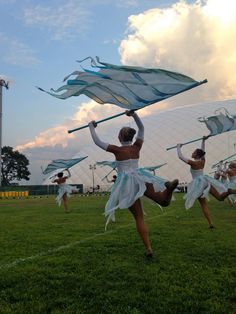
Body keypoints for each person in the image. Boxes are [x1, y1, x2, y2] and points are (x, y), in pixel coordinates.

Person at [88, 110, 178, 258]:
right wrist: (134, 115)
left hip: (127, 183)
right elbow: (142, 129)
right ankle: (168, 189)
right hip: (141, 177)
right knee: (163, 201)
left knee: (139, 217)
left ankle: (148, 248)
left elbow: (97, 142)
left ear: (120, 137)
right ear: (131, 137)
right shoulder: (137, 146)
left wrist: (91, 127)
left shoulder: (117, 150)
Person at [176, 137, 236, 228]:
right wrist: (203, 140)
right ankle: (229, 192)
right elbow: (202, 151)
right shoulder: (203, 161)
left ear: (196, 155)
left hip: (198, 184)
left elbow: (180, 157)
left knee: (203, 204)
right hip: (205, 181)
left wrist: (178, 147)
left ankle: (210, 223)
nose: (192, 153)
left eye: (194, 152)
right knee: (220, 198)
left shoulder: (193, 163)